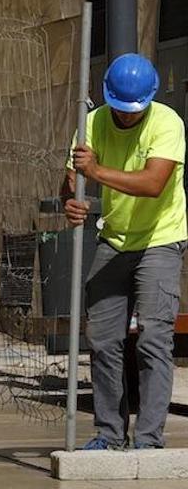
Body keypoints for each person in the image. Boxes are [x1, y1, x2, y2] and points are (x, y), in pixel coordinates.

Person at [64, 53, 186, 450]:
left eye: (137, 110)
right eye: (122, 109)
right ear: (108, 99)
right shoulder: (93, 123)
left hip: (160, 239)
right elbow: (72, 179)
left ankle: (149, 440)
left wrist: (96, 173)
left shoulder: (167, 122)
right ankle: (109, 433)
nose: (129, 117)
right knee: (102, 340)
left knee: (153, 339)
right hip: (113, 239)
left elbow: (153, 183)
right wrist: (73, 200)